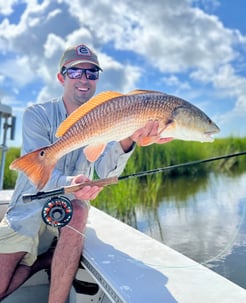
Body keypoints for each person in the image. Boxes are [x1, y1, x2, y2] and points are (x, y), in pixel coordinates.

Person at [0, 44, 171, 303]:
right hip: (28, 212)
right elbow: (35, 176)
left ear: (97, 79)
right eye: (75, 72)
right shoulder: (37, 114)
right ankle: (42, 262)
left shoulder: (109, 115)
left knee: (80, 209)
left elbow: (104, 170)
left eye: (91, 73)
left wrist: (127, 138)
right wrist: (71, 182)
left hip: (70, 211)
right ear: (61, 77)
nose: (84, 79)